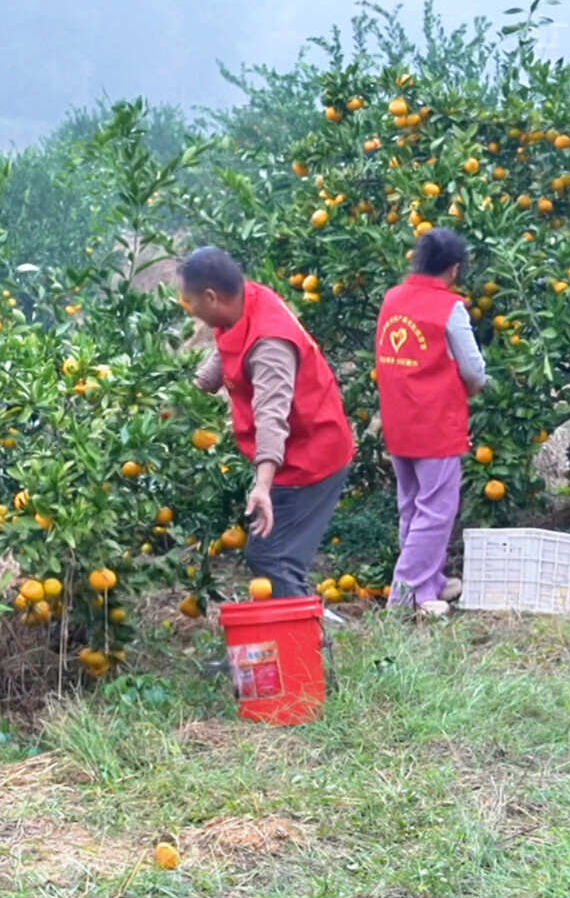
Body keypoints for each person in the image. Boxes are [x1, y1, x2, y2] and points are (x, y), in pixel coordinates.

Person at [185, 246, 356, 598]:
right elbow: (228, 347)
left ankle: (302, 630)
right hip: (297, 451)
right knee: (275, 557)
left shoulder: (270, 344)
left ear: (212, 297)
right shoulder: (245, 301)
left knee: (273, 558)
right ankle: (300, 620)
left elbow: (271, 416)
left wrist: (262, 486)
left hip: (311, 456)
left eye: (191, 302)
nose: (191, 310)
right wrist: (189, 392)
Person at [375, 229, 486, 617]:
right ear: (454, 269)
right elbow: (473, 369)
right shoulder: (449, 308)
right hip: (435, 422)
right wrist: (476, 387)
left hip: (398, 419)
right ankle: (404, 595)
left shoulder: (392, 299)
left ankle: (428, 585)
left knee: (412, 507)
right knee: (437, 509)